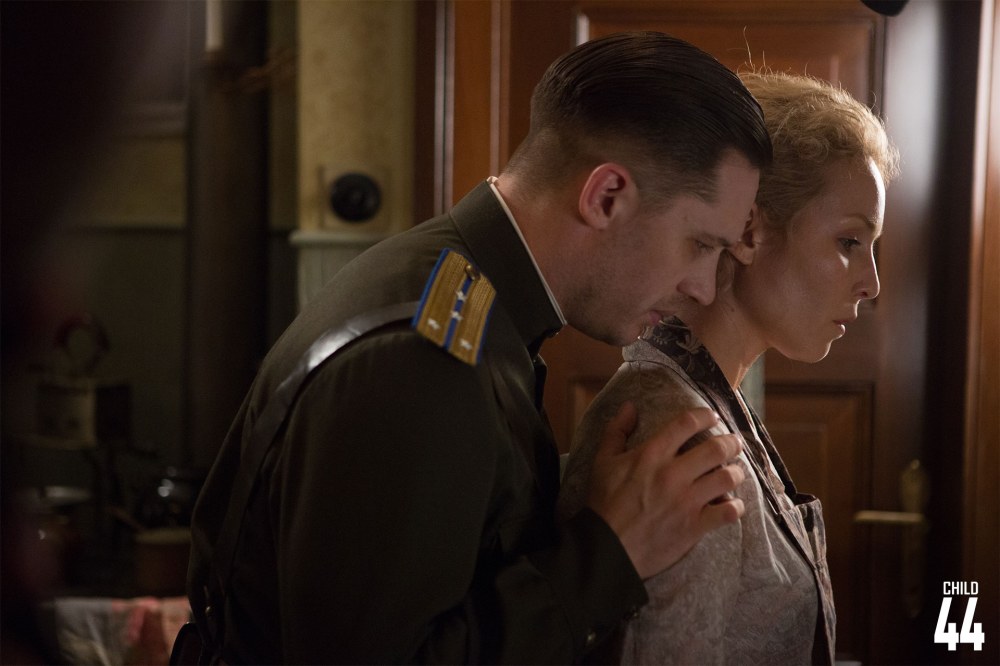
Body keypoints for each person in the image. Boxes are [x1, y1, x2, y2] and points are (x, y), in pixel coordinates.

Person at [186, 31, 772, 664]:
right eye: (701, 245)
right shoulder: (421, 363)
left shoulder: (468, 300)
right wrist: (609, 552)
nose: (703, 287)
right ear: (606, 197)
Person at [559, 70, 900, 665]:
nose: (871, 282)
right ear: (749, 231)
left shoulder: (709, 394)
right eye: (849, 242)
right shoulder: (678, 433)